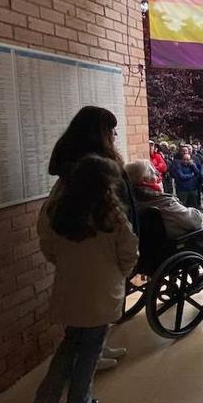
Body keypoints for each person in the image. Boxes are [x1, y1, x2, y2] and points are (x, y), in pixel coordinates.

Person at [29, 155, 138, 403]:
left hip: (69, 287)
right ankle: (79, 401)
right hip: (101, 290)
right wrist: (121, 273)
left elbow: (49, 248)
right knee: (91, 347)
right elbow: (129, 250)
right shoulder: (111, 216)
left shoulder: (61, 215)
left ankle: (46, 397)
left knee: (71, 342)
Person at [48, 106, 135, 371]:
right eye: (111, 130)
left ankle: (97, 347)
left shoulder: (72, 172)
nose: (115, 135)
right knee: (91, 310)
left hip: (88, 252)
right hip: (99, 249)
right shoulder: (90, 172)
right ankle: (85, 376)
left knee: (90, 312)